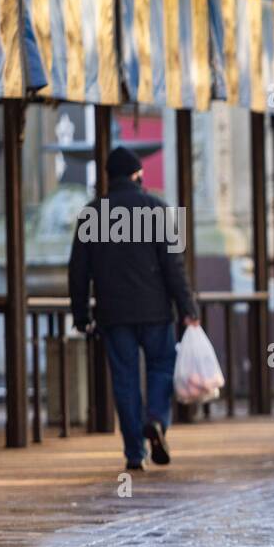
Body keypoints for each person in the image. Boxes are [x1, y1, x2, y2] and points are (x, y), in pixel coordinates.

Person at [69, 147, 199, 472]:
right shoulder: (156, 209)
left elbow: (78, 270)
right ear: (137, 174)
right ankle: (155, 419)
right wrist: (188, 307)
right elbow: (174, 266)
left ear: (109, 177)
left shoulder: (92, 213)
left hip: (114, 315)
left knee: (125, 380)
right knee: (161, 368)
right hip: (155, 311)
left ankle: (133, 452)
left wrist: (82, 315)